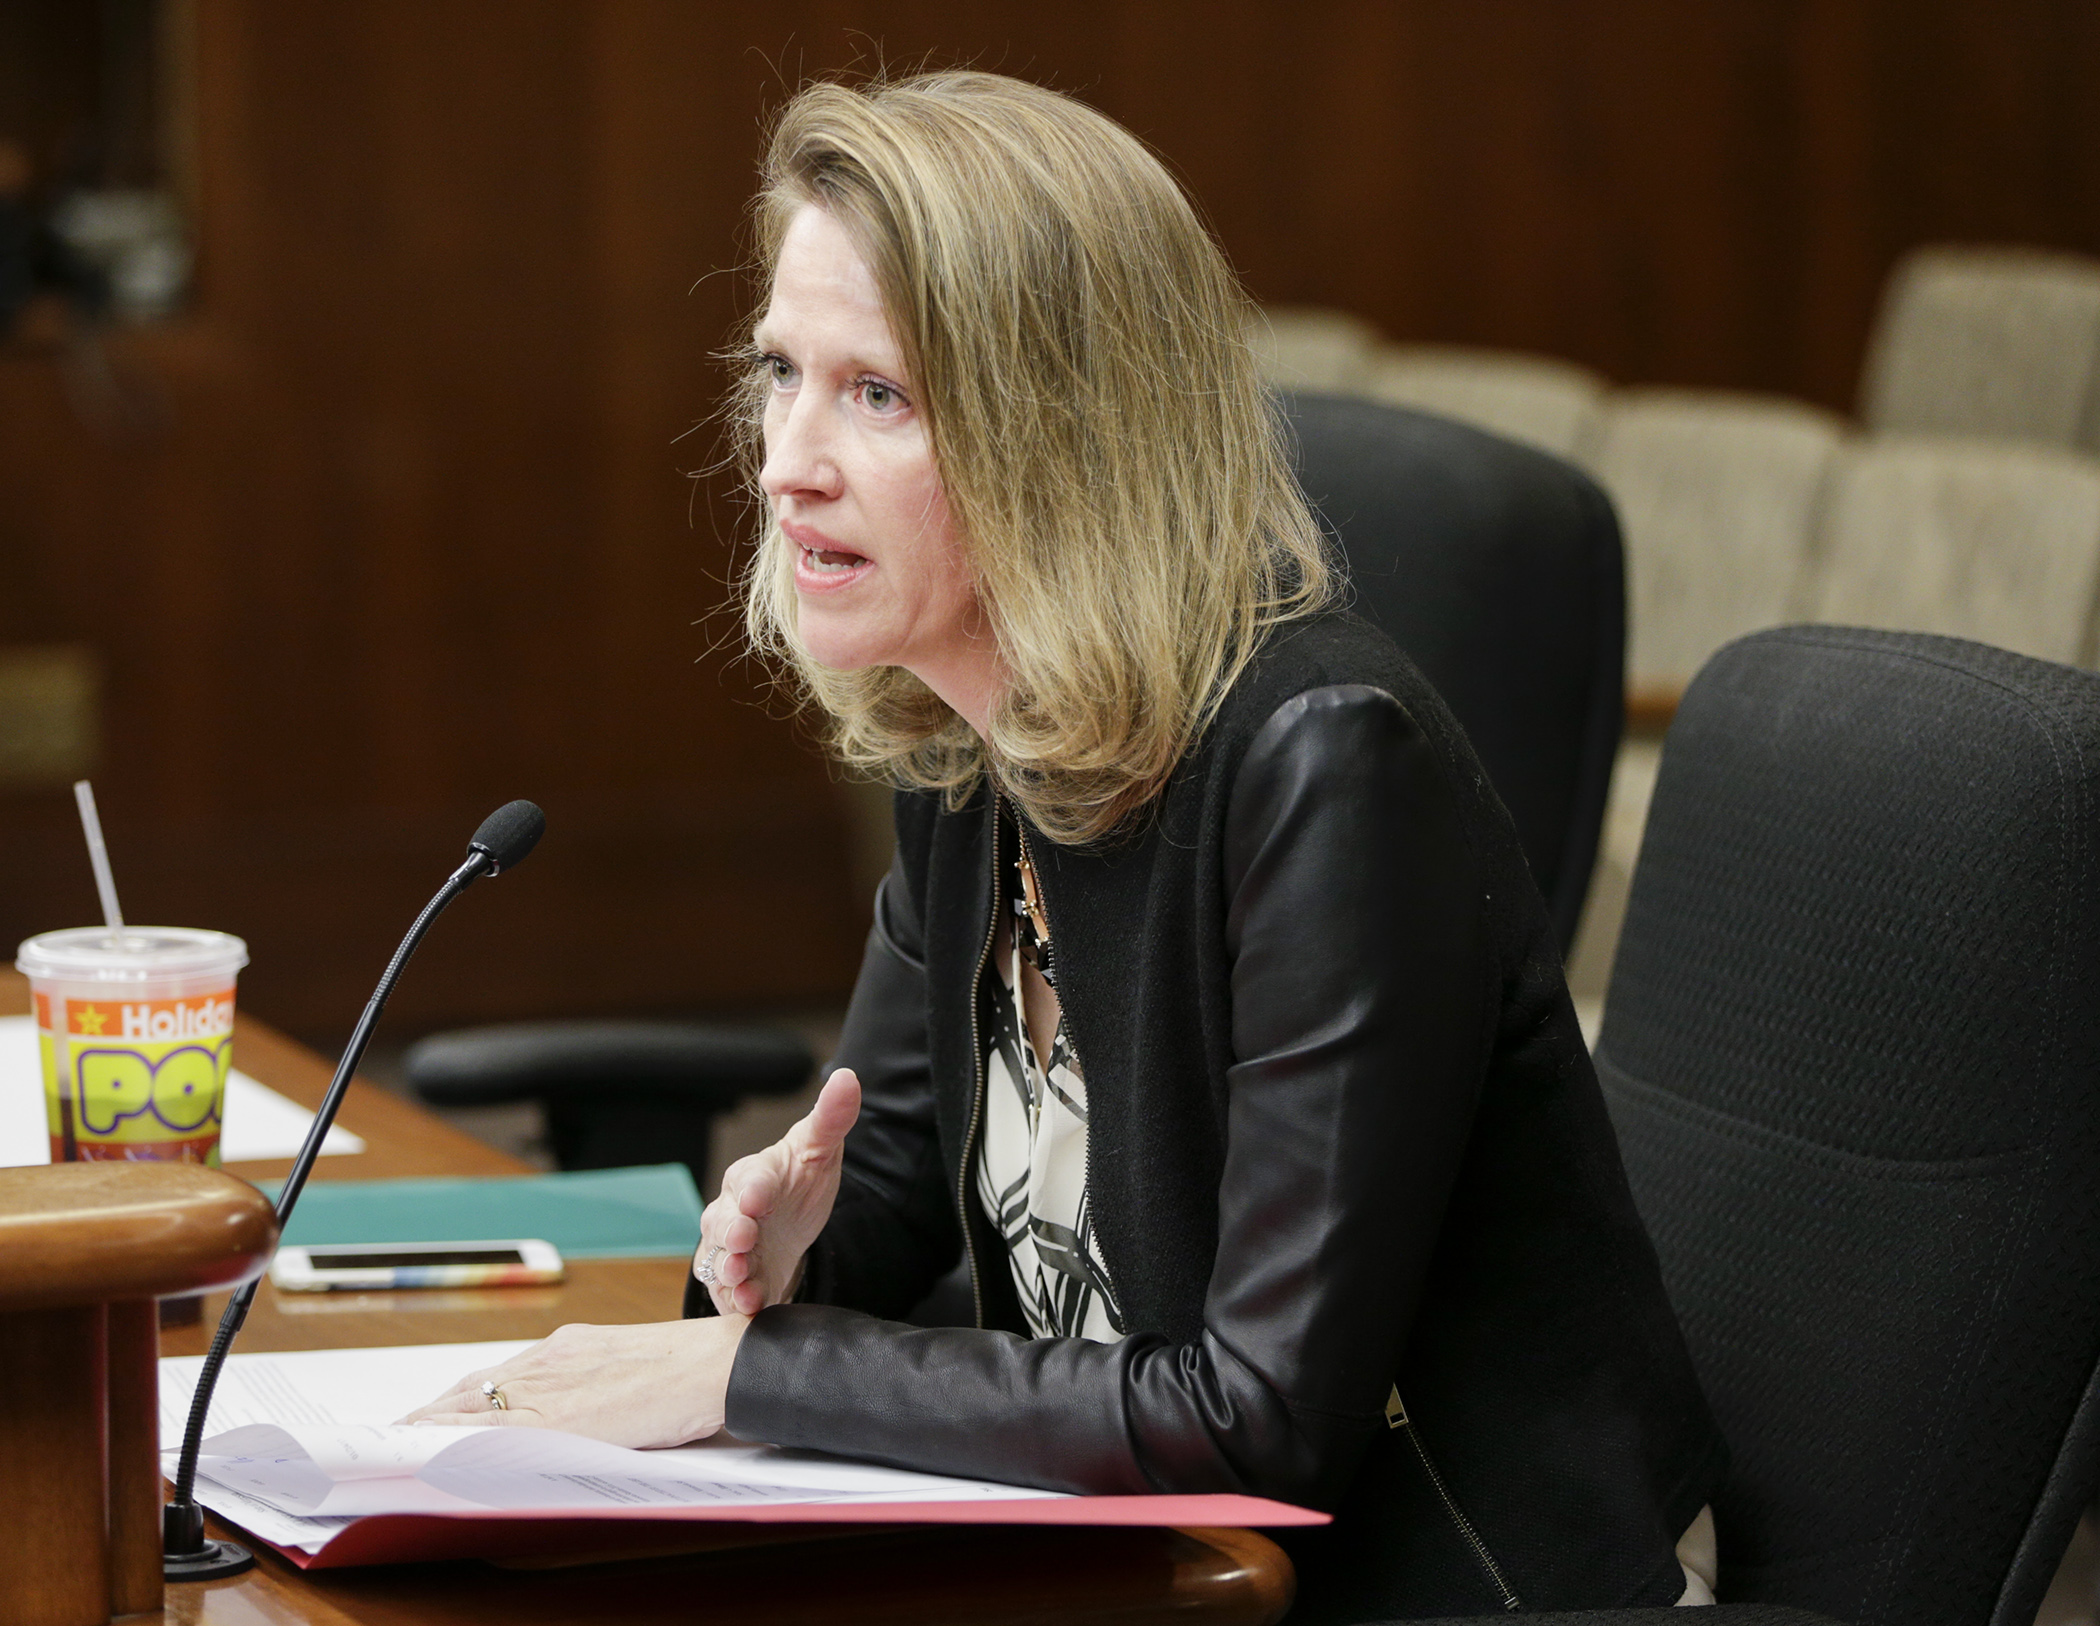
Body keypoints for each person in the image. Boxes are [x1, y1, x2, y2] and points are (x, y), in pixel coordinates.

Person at [407, 70, 1726, 1620]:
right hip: (1134, 1568)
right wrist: (774, 1258)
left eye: (876, 394)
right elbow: (884, 1196)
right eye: (781, 373)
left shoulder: (1325, 767)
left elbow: (1262, 1420)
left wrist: (756, 1362)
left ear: (1066, 429)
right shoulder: (967, 738)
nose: (785, 460)